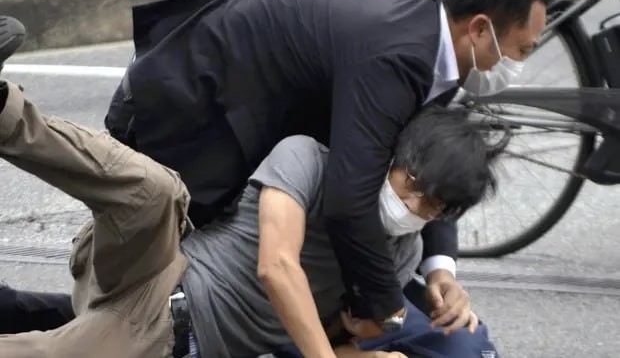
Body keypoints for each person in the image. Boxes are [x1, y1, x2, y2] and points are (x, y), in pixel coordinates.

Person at [104, 0, 552, 329]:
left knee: (168, 303)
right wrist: (387, 312)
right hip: (177, 108)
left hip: (232, 114)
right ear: (477, 28)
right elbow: (347, 202)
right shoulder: (400, 53)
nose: (517, 64)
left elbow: (433, 155)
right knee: (146, 293)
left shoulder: (436, 40)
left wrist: (440, 270)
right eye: (521, 49)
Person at [0, 78, 499, 357]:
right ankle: (5, 111)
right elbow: (276, 266)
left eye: (433, 206)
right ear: (393, 157)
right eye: (411, 183)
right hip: (156, 269)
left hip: (162, 335)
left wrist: (373, 345)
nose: (413, 205)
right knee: (157, 190)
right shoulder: (309, 161)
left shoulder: (400, 253)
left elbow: (332, 340)